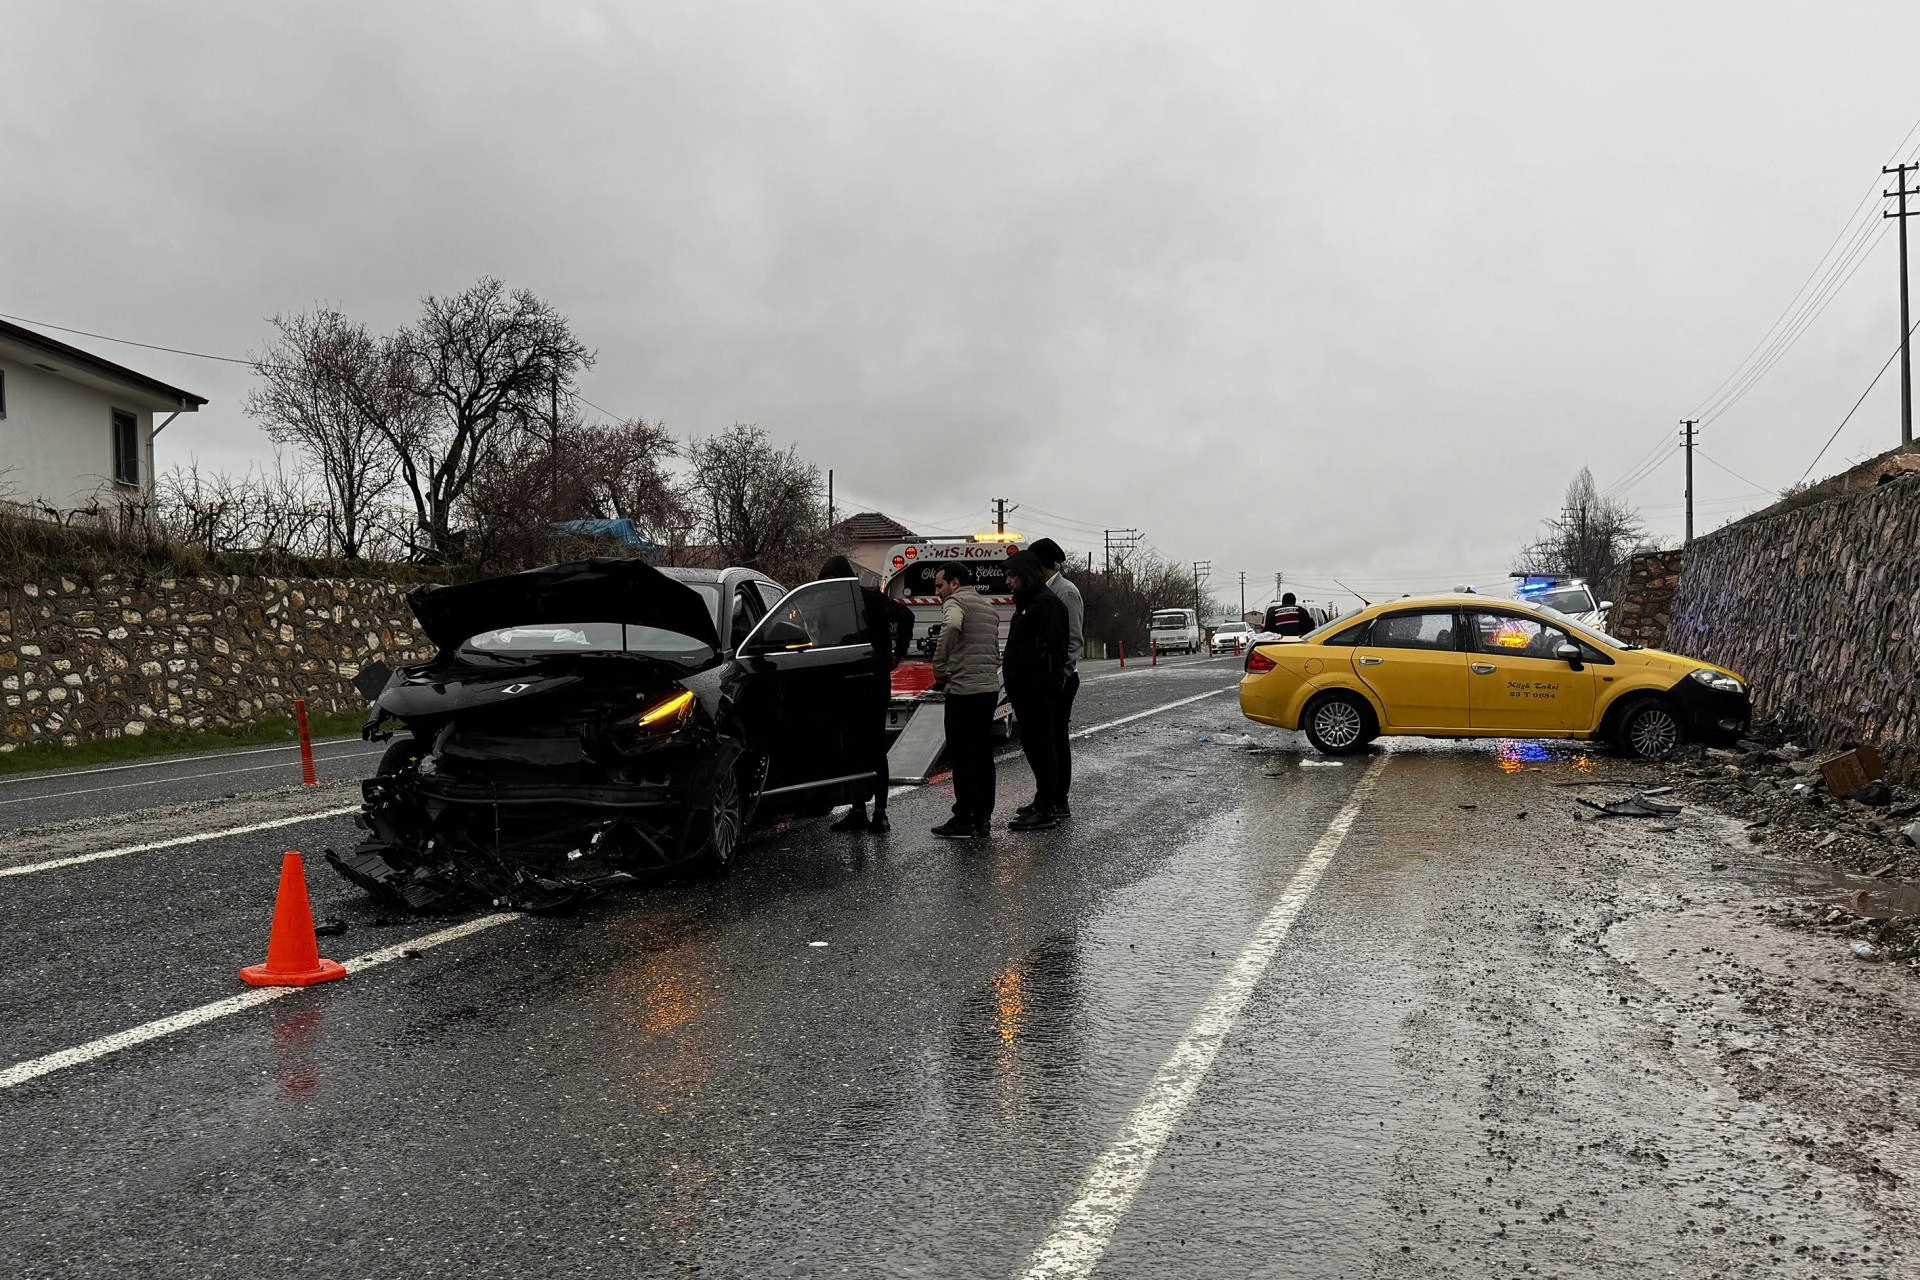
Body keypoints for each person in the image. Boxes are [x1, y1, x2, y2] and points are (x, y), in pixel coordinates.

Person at [818, 554, 915, 834]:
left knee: (873, 747)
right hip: (847, 684)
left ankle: (879, 812)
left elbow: (906, 615)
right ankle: (859, 810)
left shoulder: (868, 598)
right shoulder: (831, 604)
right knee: (852, 749)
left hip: (871, 682)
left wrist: (898, 653)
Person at [928, 563, 1001, 839]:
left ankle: (964, 818)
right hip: (988, 689)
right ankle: (983, 817)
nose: (938, 592)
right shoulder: (988, 608)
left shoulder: (955, 602)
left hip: (963, 691)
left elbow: (951, 625)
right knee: (983, 754)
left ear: (955, 583)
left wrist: (939, 665)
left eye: (940, 585)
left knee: (962, 755)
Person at [1001, 550, 1070, 831]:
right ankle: (1042, 800)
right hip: (1024, 690)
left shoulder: (1046, 605)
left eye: (1012, 575)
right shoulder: (1028, 603)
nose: (1008, 581)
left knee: (1043, 747)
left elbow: (1052, 651)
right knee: (1033, 747)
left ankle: (1046, 808)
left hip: (1038, 691)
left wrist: (1042, 684)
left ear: (1027, 575)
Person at [1027, 537, 1083, 818]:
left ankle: (1060, 798)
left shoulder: (1066, 591)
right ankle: (1045, 796)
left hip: (1060, 678)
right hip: (1044, 676)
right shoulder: (1042, 590)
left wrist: (1062, 675)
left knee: (1057, 739)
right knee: (1044, 740)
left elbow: (1074, 638)